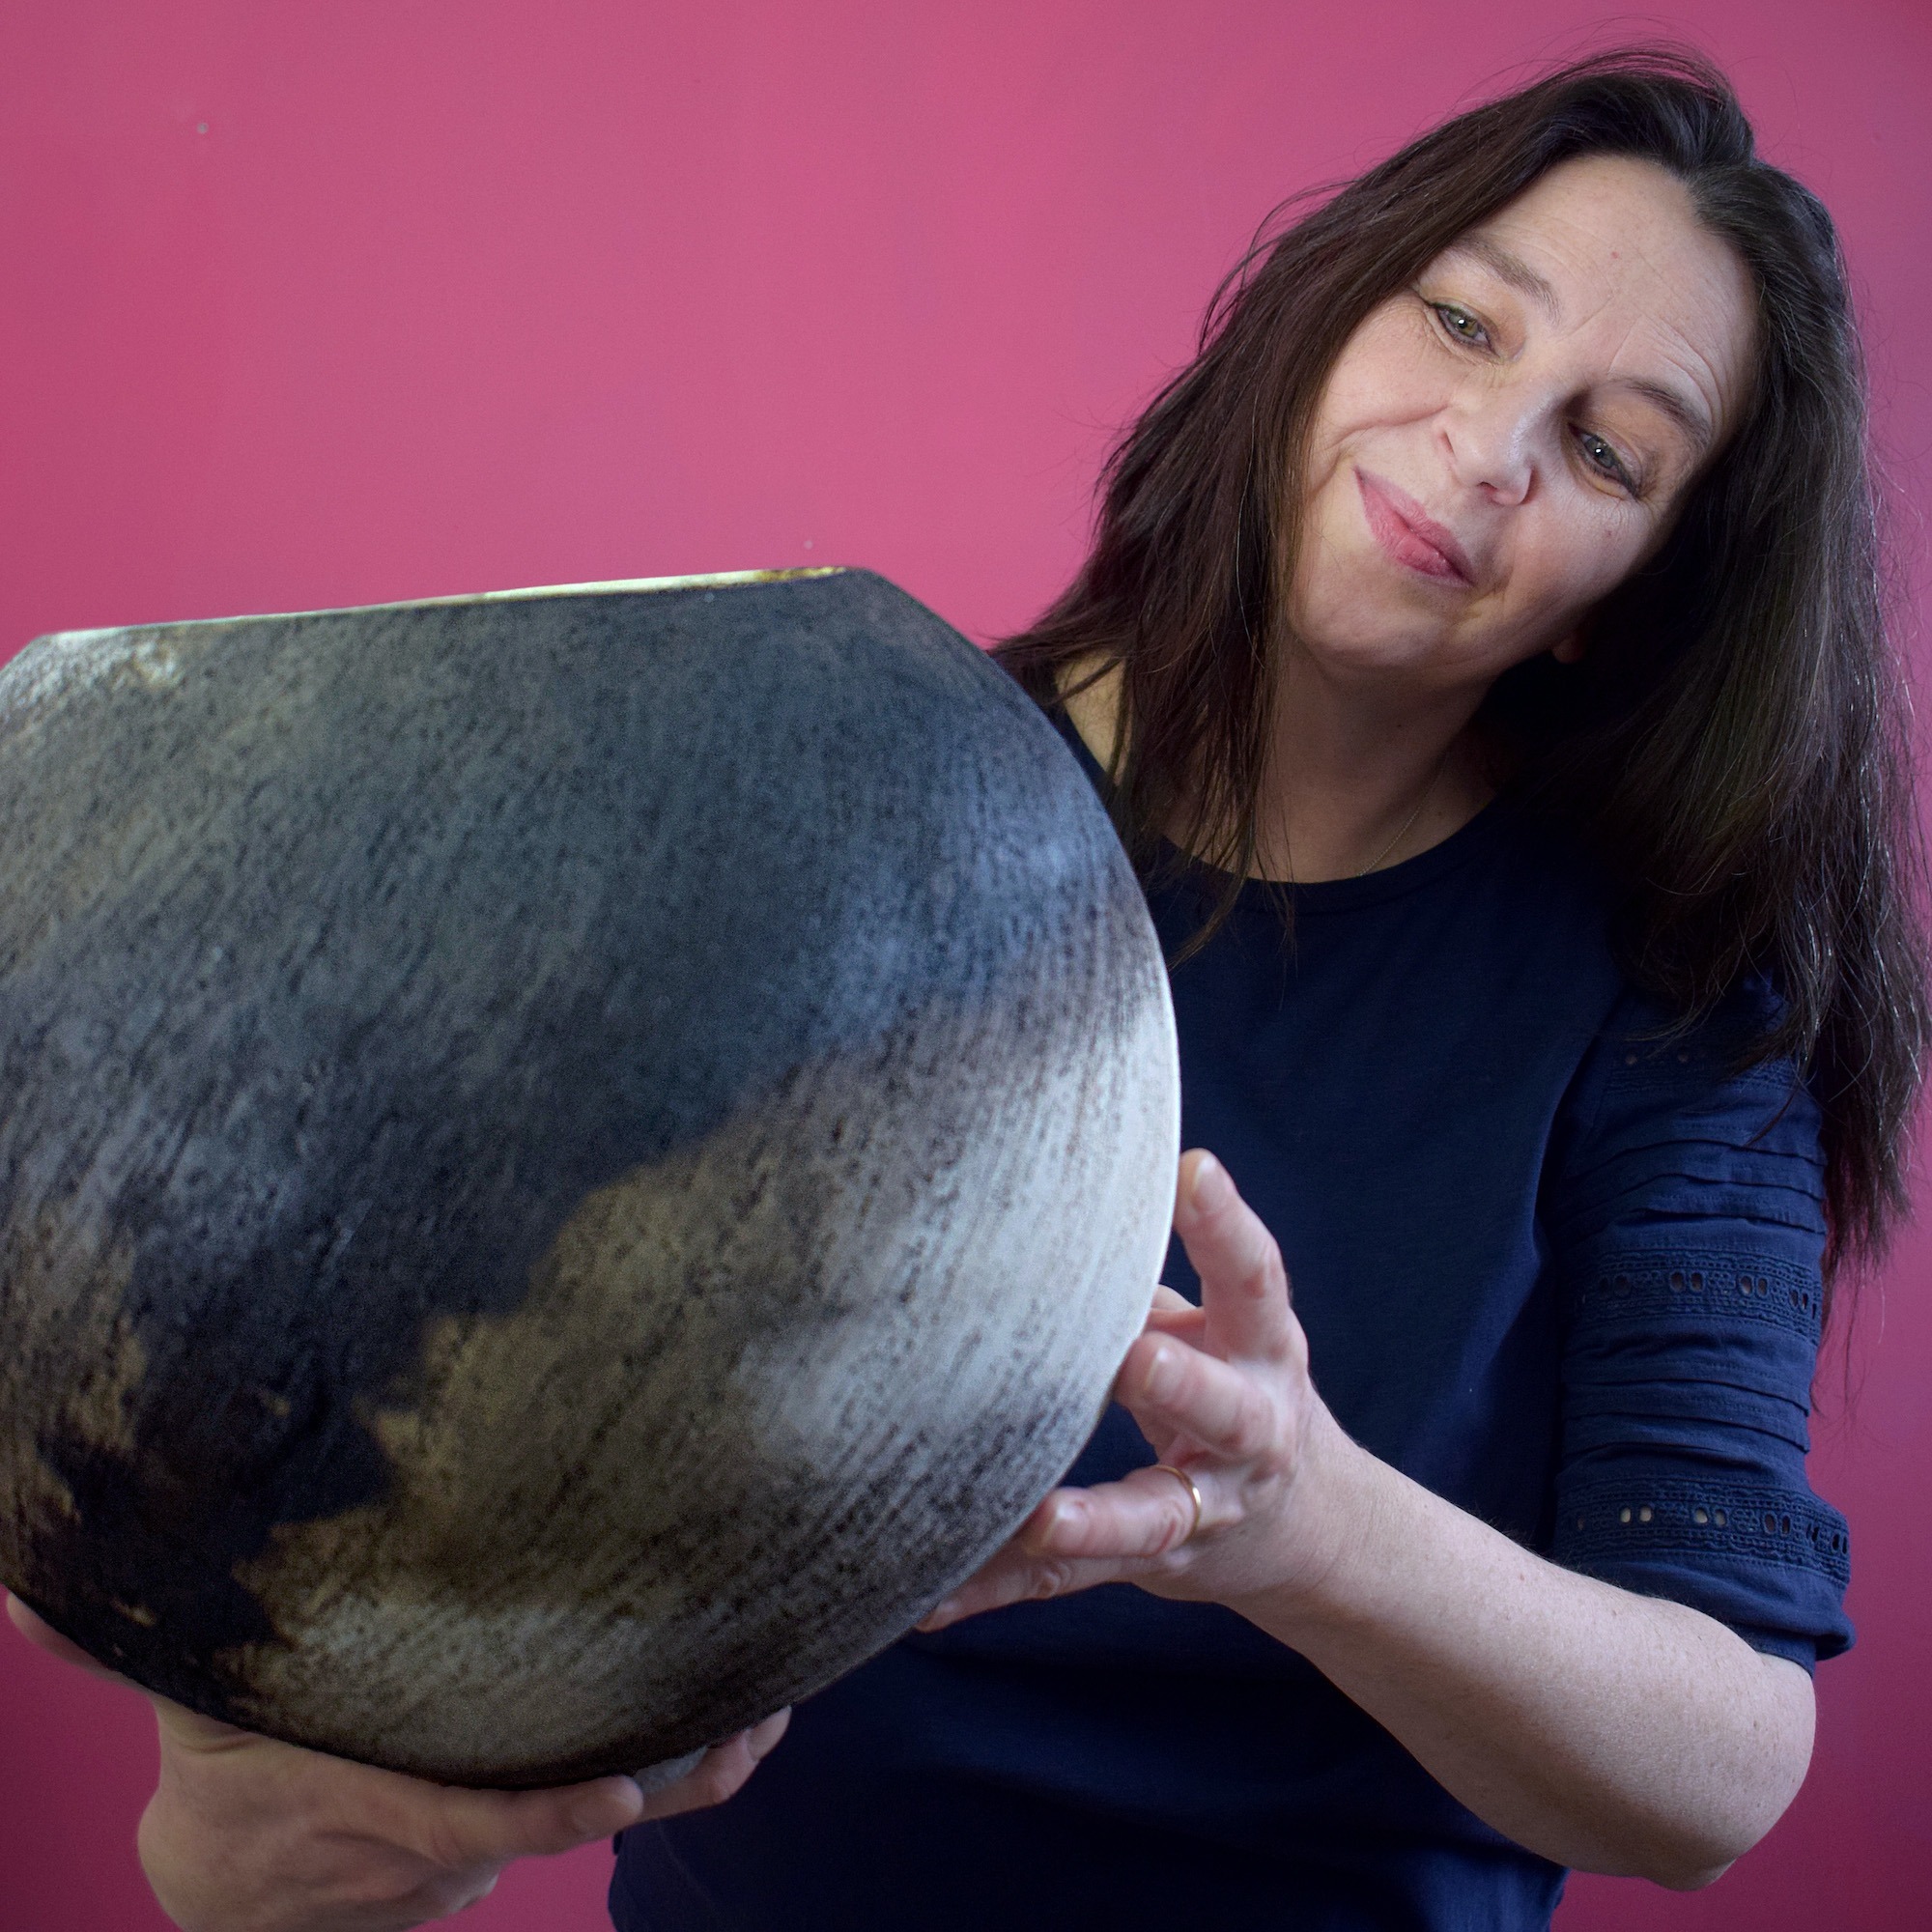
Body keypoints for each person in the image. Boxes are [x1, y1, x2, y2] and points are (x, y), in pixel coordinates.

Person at [10, 45, 1927, 1932]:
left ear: (1632, 581)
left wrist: (1299, 1513)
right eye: (1461, 321)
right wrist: (276, 1831)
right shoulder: (830, 795)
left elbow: (1717, 1770)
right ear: (1324, 317)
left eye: (1609, 448)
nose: (1484, 448)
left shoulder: (1671, 1000)